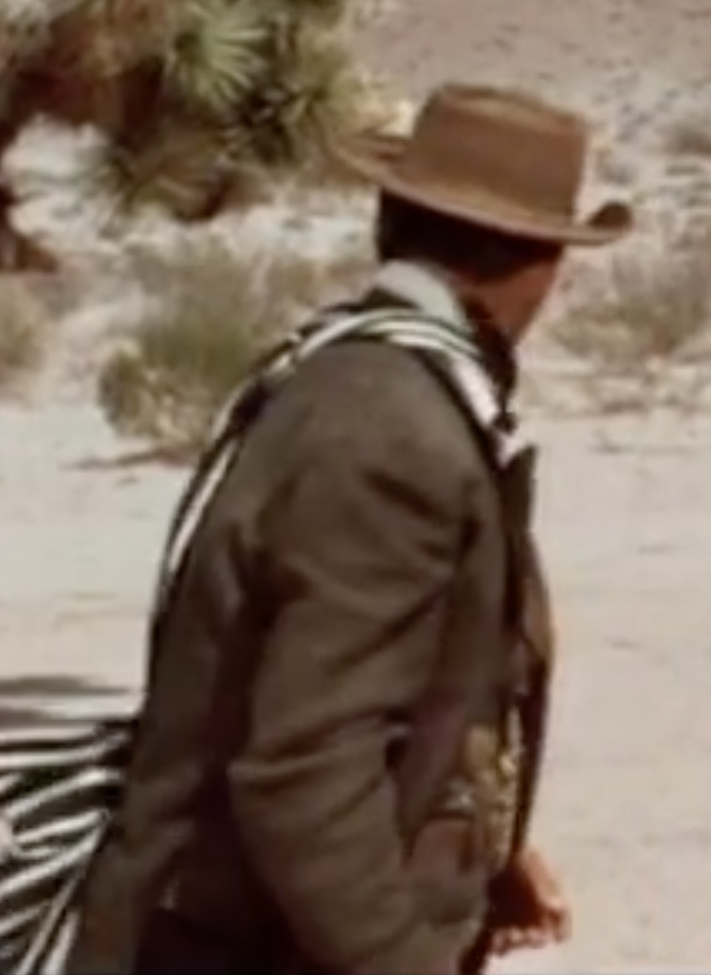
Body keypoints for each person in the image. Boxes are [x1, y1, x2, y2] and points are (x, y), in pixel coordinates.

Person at [63, 83, 633, 975]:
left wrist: (478, 856)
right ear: (542, 265)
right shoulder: (392, 434)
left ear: (388, 224)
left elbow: (392, 704)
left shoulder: (359, 380)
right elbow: (305, 769)